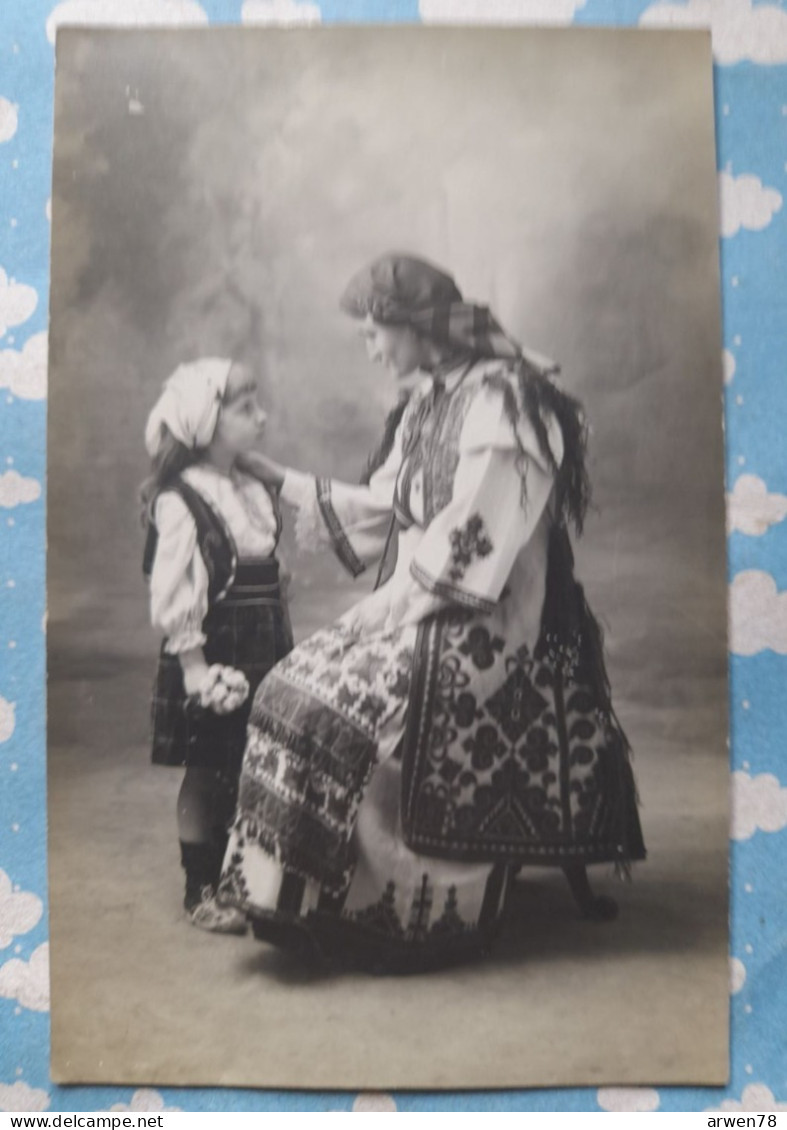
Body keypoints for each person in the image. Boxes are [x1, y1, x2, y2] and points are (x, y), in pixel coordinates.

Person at [217, 255, 645, 970]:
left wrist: (374, 616)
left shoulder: (509, 403)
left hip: (488, 624)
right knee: (287, 688)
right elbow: (387, 503)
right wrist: (279, 479)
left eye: (374, 331)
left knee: (334, 715)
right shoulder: (430, 399)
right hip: (424, 601)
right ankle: (293, 899)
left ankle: (390, 911)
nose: (369, 346)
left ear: (414, 326)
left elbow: (474, 549)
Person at [142, 357, 293, 933]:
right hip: (214, 649)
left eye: (259, 404)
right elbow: (177, 590)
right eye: (245, 408)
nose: (261, 416)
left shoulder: (251, 488)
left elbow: (258, 567)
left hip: (265, 645)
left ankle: (245, 876)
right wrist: (195, 668)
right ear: (205, 421)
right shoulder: (182, 500)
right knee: (207, 769)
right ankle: (199, 886)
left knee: (252, 763)